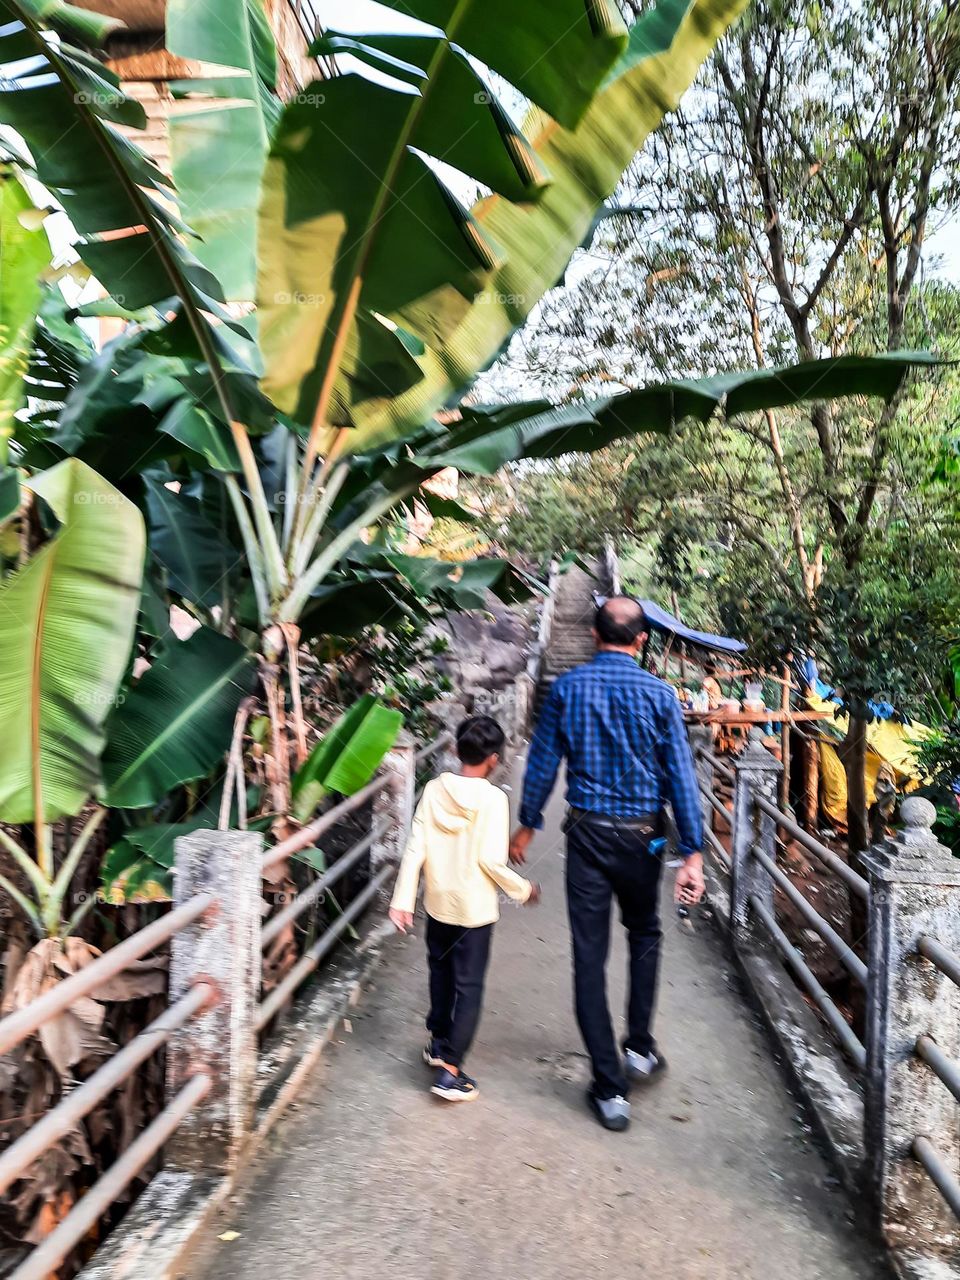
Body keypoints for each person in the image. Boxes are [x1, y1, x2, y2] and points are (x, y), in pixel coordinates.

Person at [510, 596, 705, 1132]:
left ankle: (609, 1087)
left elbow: (544, 760)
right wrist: (693, 852)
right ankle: (639, 1048)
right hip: (644, 837)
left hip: (589, 836)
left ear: (596, 635)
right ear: (641, 640)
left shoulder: (568, 689)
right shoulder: (661, 695)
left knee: (589, 955)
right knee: (644, 933)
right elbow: (680, 777)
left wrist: (527, 824)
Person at [389, 715, 540, 1104]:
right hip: (473, 910)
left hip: (438, 903)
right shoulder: (494, 799)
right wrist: (523, 889)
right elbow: (492, 862)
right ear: (493, 759)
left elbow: (415, 847)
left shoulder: (435, 790)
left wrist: (402, 901)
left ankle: (438, 1044)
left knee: (440, 974)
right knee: (468, 987)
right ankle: (450, 1072)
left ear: (456, 750)